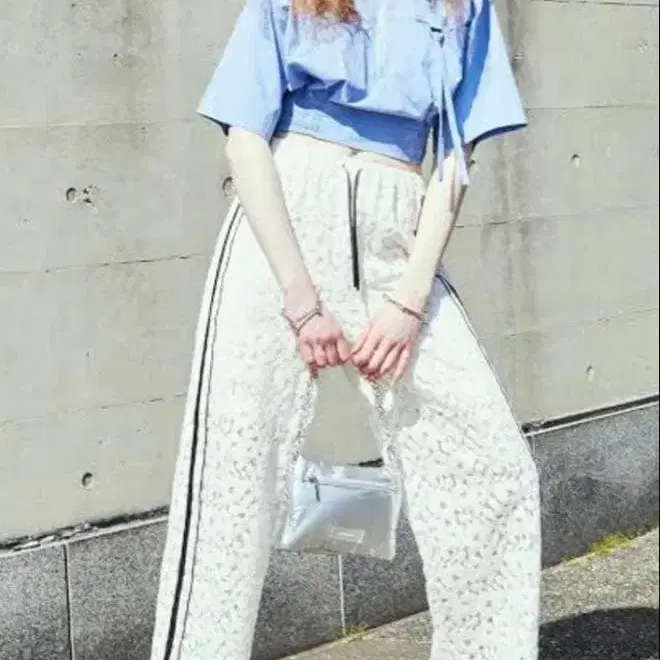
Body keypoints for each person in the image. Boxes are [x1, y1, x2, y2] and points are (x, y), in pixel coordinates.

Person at [150, 0, 541, 658]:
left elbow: (457, 155)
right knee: (231, 482)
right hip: (281, 226)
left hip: (397, 232)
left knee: (493, 469)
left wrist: (410, 300)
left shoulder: (463, 5)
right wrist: (301, 298)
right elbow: (244, 136)